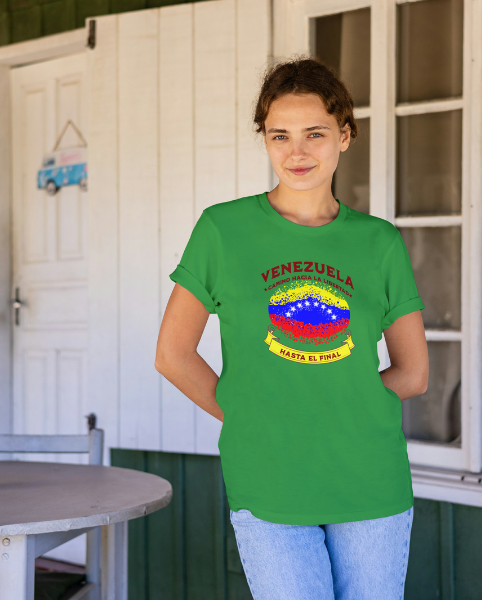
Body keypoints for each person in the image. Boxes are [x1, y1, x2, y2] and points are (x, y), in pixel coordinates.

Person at [154, 56, 430, 600]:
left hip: (369, 479)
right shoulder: (222, 230)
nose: (297, 151)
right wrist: (255, 413)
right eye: (280, 135)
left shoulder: (379, 243)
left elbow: (414, 372)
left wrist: (335, 400)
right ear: (264, 139)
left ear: (345, 137)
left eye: (315, 134)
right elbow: (172, 354)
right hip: (268, 478)